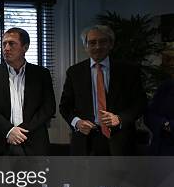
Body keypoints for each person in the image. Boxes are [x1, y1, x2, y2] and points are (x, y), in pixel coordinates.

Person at [60, 25, 147, 156]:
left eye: (102, 41)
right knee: (87, 177)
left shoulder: (128, 70)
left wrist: (120, 118)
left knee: (121, 177)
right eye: (92, 42)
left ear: (111, 44)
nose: (97, 46)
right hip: (86, 140)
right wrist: (77, 122)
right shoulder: (74, 72)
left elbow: (140, 103)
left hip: (121, 140)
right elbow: (65, 106)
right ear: (86, 46)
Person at [0, 27, 55, 156]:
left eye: (12, 43)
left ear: (25, 47)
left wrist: (21, 131)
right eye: (4, 44)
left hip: (33, 142)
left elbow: (49, 107)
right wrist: (9, 130)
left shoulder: (41, 74)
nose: (6, 48)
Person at [145, 78, 174, 155]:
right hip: (157, 150)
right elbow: (149, 115)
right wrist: (164, 124)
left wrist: (169, 126)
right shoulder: (167, 85)